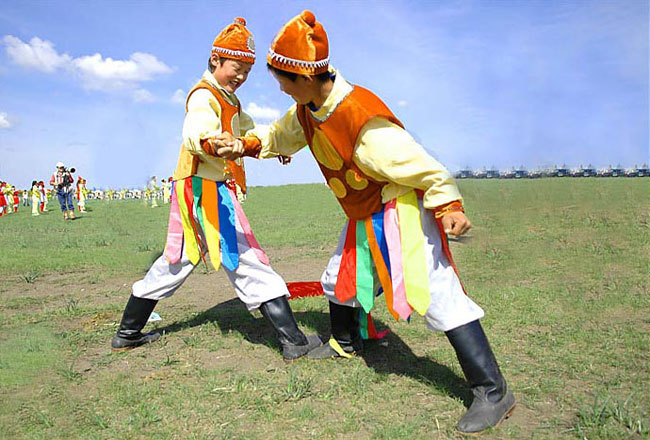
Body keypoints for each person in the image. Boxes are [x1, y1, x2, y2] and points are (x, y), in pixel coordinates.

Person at [213, 11, 515, 434]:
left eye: (282, 79)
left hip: (398, 211)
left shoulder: (363, 119)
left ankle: (493, 390)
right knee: (340, 279)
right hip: (363, 214)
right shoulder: (307, 108)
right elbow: (279, 136)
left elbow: (424, 167)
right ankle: (345, 343)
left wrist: (449, 208)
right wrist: (240, 144)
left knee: (436, 293)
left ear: (304, 77)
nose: (279, 87)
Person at [111, 17, 320, 361]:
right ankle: (293, 340)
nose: (240, 76)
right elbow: (194, 132)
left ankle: (127, 332)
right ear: (215, 61)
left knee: (178, 259)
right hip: (204, 190)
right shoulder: (203, 96)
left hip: (205, 188)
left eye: (247, 71)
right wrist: (210, 142)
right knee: (245, 257)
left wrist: (275, 148)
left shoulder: (230, 101)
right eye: (236, 68)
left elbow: (254, 133)